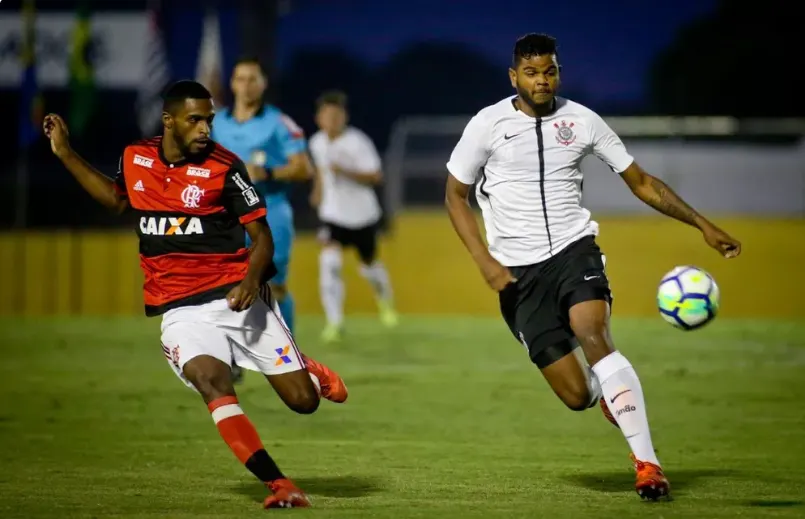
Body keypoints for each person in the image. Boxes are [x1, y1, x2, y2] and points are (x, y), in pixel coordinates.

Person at [444, 33, 741, 501]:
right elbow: (454, 196)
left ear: (557, 72)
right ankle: (607, 394)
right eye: (531, 72)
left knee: (594, 333)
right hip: (517, 276)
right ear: (513, 76)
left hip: (573, 250)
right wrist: (484, 261)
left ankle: (648, 465)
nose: (542, 81)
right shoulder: (486, 125)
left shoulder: (583, 121)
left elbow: (640, 181)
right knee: (577, 395)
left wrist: (702, 224)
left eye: (549, 71)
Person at [44, 80, 348, 509]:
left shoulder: (226, 167)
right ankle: (280, 484)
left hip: (236, 297)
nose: (206, 128)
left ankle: (307, 369)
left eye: (208, 119)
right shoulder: (136, 158)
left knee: (304, 402)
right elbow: (116, 200)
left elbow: (261, 239)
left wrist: (248, 282)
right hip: (179, 308)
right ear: (169, 121)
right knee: (213, 382)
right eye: (195, 119)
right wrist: (65, 154)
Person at [211, 57, 313, 341]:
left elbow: (305, 168)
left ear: (263, 84)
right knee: (225, 286)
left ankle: (288, 355)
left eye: (252, 79)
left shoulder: (278, 122)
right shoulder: (217, 123)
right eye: (241, 79)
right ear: (232, 83)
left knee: (274, 287)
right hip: (228, 216)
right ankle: (231, 357)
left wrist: (268, 171)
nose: (246, 85)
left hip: (271, 213)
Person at [308, 91, 398, 343]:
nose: (332, 120)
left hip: (362, 216)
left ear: (344, 117)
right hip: (332, 215)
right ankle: (334, 322)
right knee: (330, 264)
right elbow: (321, 172)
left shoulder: (358, 142)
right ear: (318, 118)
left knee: (370, 268)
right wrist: (317, 191)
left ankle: (385, 301)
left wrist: (346, 172)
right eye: (327, 115)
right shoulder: (316, 142)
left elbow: (376, 177)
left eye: (337, 115)